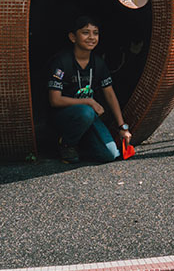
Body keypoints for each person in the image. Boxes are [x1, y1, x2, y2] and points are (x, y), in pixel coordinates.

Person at [47, 15, 131, 163]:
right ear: (73, 37)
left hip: (89, 117)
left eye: (95, 33)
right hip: (65, 116)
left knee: (110, 155)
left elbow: (110, 94)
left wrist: (122, 127)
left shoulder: (98, 63)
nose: (91, 37)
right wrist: (89, 102)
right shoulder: (62, 61)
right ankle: (66, 144)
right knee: (85, 112)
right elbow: (55, 100)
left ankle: (83, 142)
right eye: (85, 32)